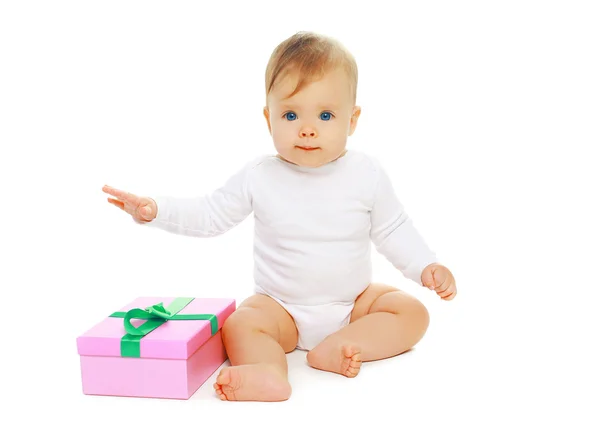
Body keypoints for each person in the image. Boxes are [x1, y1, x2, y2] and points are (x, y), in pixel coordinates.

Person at [102, 31, 457, 402]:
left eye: (325, 114)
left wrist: (425, 266)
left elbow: (392, 228)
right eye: (290, 114)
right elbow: (210, 215)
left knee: (412, 313)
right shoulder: (261, 176)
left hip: (353, 304)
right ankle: (268, 373)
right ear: (268, 118)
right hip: (281, 310)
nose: (307, 128)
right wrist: (155, 210)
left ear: (352, 120)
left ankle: (343, 345)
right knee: (240, 323)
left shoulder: (366, 173)